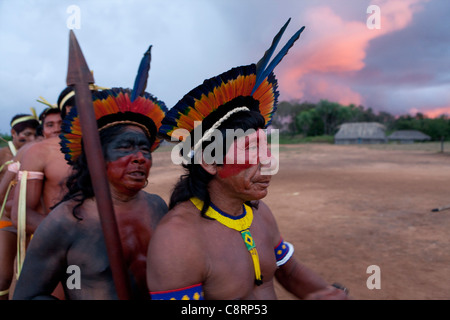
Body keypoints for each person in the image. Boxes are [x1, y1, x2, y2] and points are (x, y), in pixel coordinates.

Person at [147, 19, 350, 300]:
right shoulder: (178, 239)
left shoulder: (259, 212)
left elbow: (288, 272)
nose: (267, 160)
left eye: (266, 147)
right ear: (209, 161)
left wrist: (329, 294)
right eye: (251, 149)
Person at [13, 46, 169, 300]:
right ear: (97, 158)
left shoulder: (157, 207)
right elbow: (28, 296)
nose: (140, 157)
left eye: (144, 148)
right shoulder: (65, 221)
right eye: (126, 147)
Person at [0, 112, 39, 300]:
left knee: (26, 272)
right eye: (27, 134)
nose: (31, 139)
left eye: (34, 134)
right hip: (5, 220)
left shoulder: (38, 153)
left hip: (30, 221)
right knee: (2, 275)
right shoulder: (3, 154)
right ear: (13, 133)